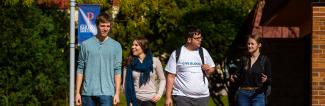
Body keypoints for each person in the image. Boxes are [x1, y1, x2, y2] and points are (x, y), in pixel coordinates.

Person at [75, 12, 122, 106]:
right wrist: (77, 93)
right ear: (97, 26)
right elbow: (80, 69)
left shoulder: (116, 46)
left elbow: (117, 70)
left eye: (108, 26)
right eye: (102, 26)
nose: (105, 29)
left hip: (107, 93)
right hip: (88, 93)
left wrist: (117, 93)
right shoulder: (85, 44)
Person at [164, 26, 216, 106]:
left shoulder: (203, 52)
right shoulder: (177, 53)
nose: (200, 40)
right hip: (182, 97)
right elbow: (170, 76)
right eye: (197, 38)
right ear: (189, 39)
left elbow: (212, 68)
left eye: (200, 37)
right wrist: (168, 97)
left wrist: (208, 69)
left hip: (202, 97)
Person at [230, 34, 271, 106]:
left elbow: (270, 79)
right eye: (248, 44)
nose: (249, 46)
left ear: (259, 45)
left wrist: (266, 79)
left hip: (258, 94)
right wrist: (234, 77)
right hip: (243, 94)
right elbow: (237, 75)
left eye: (252, 44)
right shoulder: (243, 59)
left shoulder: (265, 60)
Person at [123, 37, 166, 106]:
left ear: (144, 47)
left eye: (136, 45)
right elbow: (125, 84)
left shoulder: (155, 61)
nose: (133, 47)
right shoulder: (129, 62)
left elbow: (162, 79)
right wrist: (129, 101)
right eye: (133, 45)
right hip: (135, 99)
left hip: (150, 100)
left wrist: (159, 94)